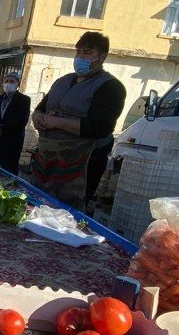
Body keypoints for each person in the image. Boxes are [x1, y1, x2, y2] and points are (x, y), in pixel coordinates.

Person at [29, 31, 126, 209]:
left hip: (79, 164)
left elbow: (99, 127)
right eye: (78, 52)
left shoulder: (110, 87)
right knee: (39, 203)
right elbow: (42, 107)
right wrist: (36, 116)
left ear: (102, 57)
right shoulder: (63, 81)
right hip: (47, 157)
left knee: (68, 210)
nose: (80, 57)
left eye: (87, 53)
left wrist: (57, 122)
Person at [0, 71, 32, 175]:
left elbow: (21, 120)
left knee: (9, 172)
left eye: (12, 81)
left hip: (12, 143)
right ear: (3, 83)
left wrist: (2, 129)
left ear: (17, 84)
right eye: (6, 81)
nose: (9, 83)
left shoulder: (24, 100)